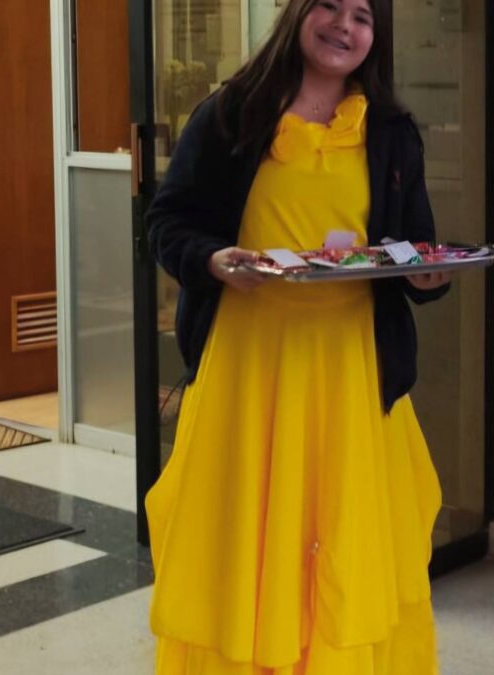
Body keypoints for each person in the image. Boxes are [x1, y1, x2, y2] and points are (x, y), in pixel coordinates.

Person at [144, 1, 449, 673]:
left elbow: (413, 245)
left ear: (376, 35)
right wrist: (212, 260)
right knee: (249, 531)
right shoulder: (231, 114)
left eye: (363, 15)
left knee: (348, 534)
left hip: (354, 366)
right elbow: (167, 222)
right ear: (296, 14)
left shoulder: (391, 131)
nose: (345, 25)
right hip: (251, 361)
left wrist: (427, 276)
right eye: (329, 6)